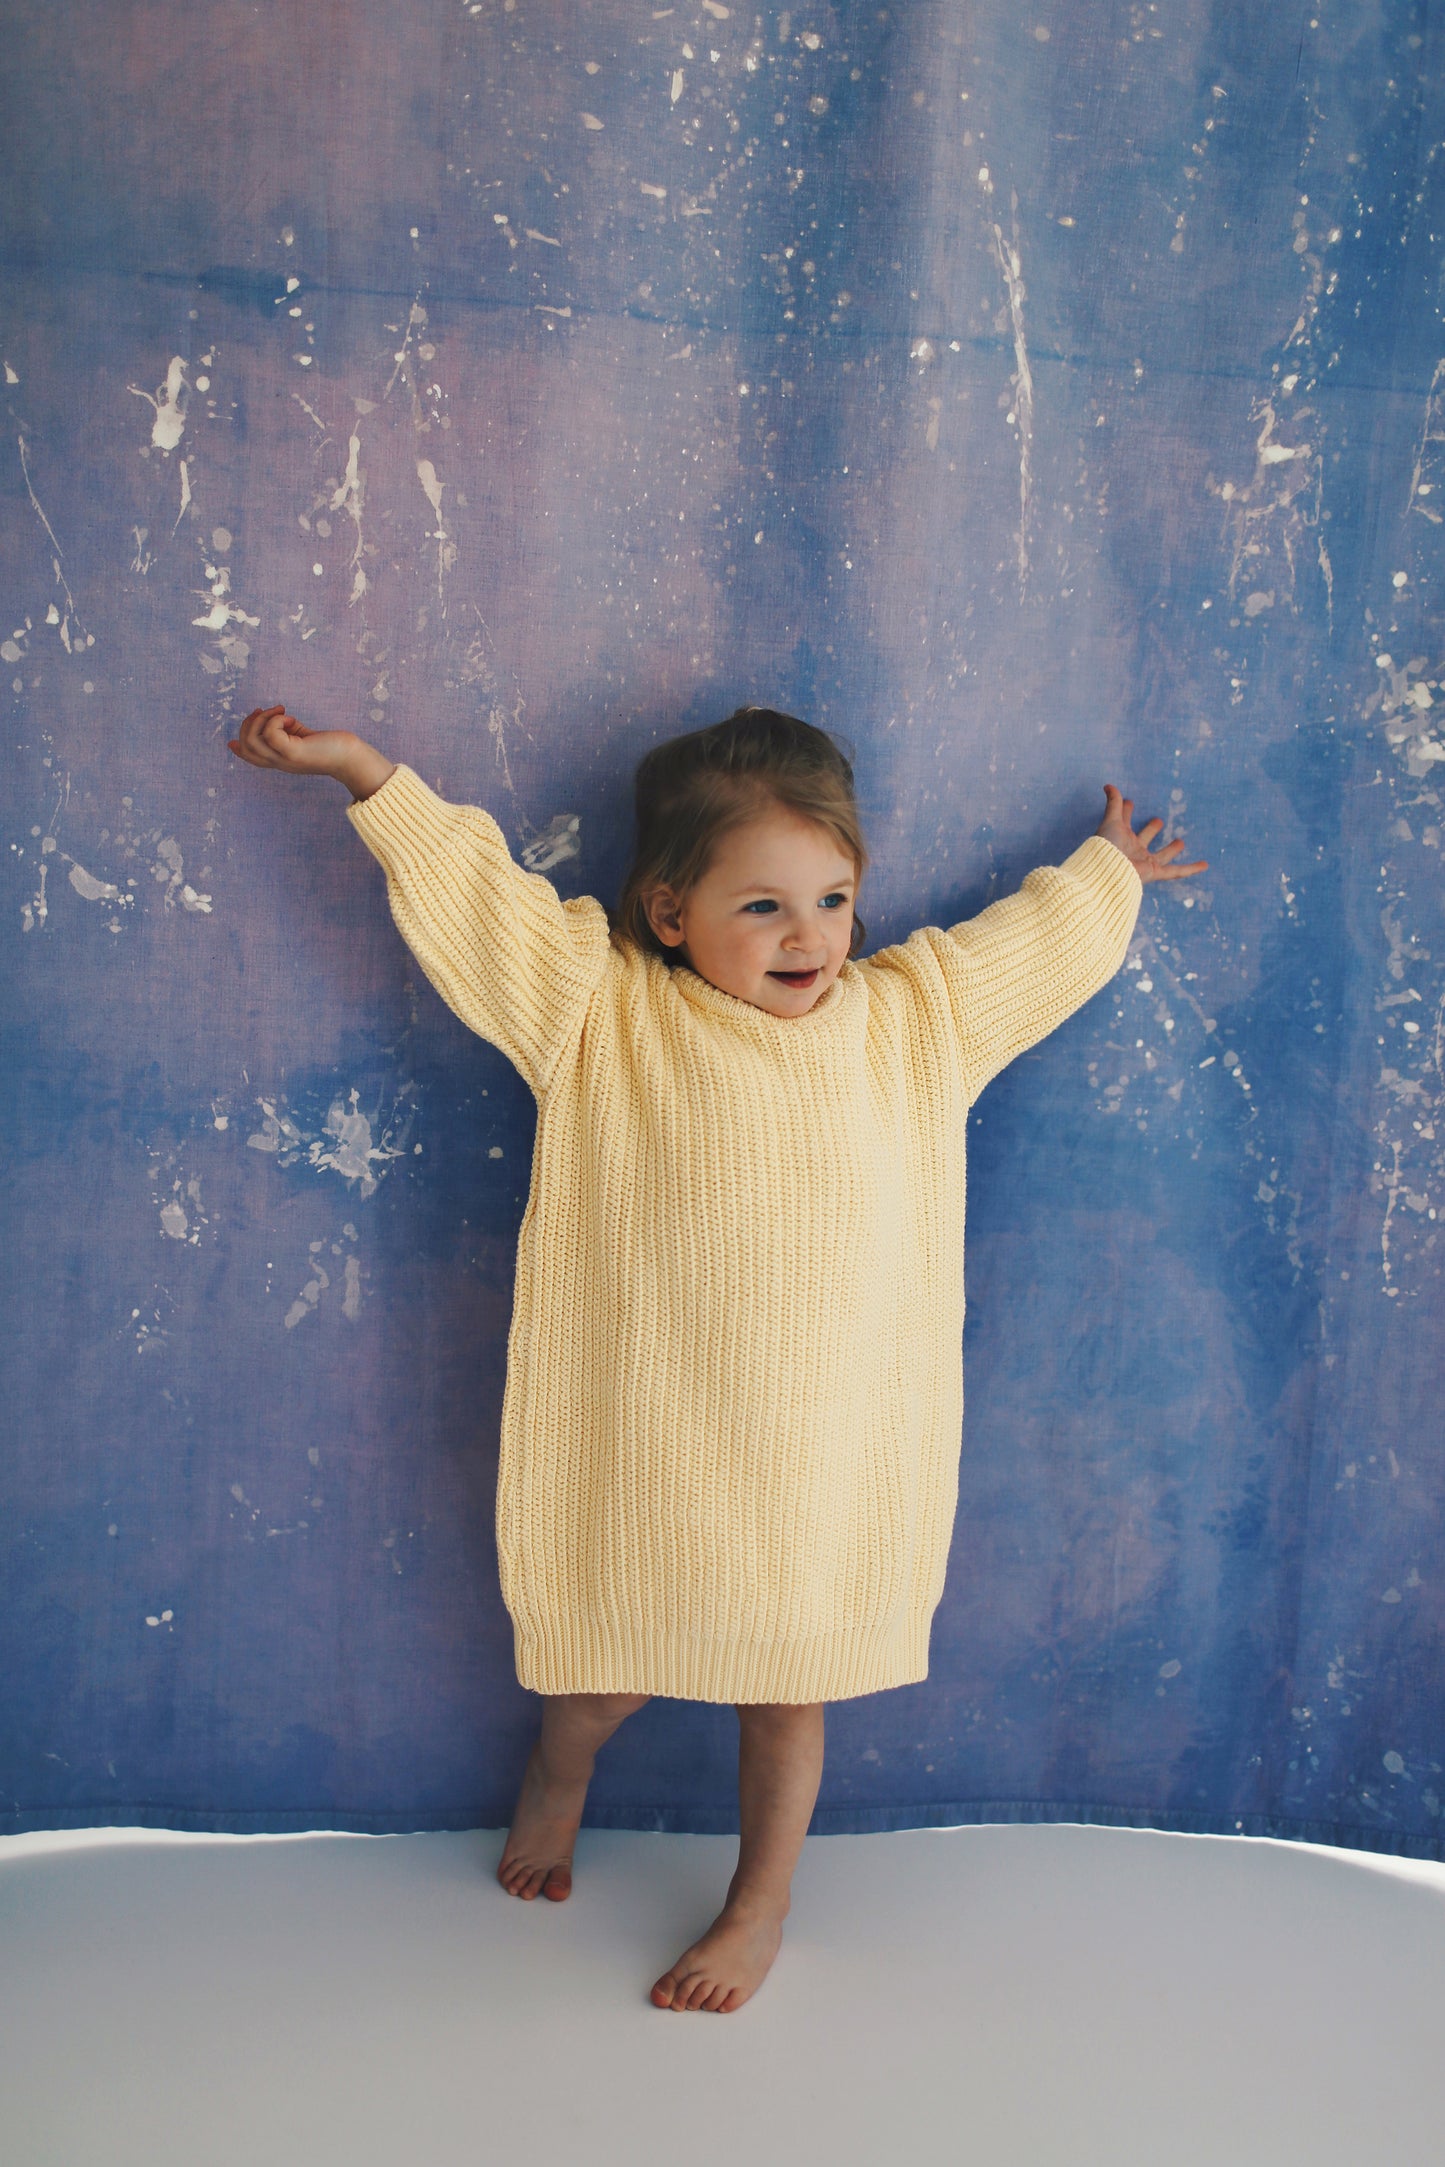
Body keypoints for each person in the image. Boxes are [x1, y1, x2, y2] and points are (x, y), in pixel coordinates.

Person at [228, 700, 1207, 2015]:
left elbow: (1017, 952)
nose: (809, 936)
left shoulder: (910, 1022)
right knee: (599, 1679)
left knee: (788, 1701)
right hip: (658, 1443)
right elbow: (481, 900)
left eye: (832, 896)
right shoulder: (602, 1012)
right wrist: (363, 773)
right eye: (761, 908)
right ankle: (557, 1780)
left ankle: (761, 1902)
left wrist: (1105, 875)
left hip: (824, 1458)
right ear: (668, 911)